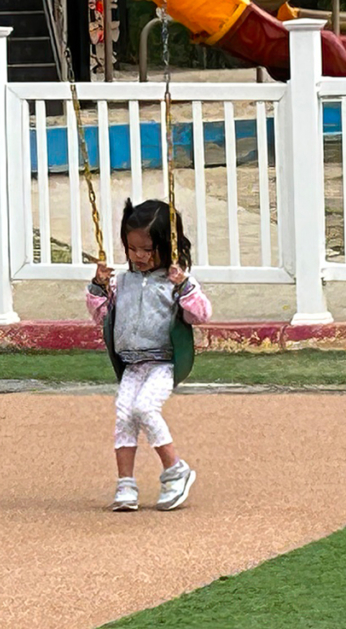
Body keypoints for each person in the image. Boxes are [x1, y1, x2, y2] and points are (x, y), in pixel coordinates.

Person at [86, 199, 212, 511]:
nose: (139, 256)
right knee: (124, 418)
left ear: (167, 246)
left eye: (148, 249)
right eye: (133, 248)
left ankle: (175, 470)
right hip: (132, 364)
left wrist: (183, 287)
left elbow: (201, 315)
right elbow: (99, 314)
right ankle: (125, 484)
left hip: (163, 362)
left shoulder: (174, 282)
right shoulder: (121, 282)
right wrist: (98, 286)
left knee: (144, 408)